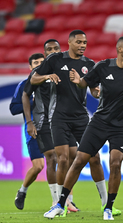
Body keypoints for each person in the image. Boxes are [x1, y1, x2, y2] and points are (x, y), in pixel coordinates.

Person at [43, 36, 123, 220]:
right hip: (99, 122)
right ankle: (60, 204)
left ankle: (108, 207)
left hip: (121, 125)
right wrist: (79, 81)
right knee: (79, 160)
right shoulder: (103, 66)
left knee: (115, 162)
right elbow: (87, 84)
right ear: (120, 49)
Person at [30, 30, 107, 212]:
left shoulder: (89, 64)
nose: (82, 45)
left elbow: (96, 90)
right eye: (79, 42)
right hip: (59, 117)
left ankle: (106, 203)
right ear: (70, 42)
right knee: (63, 159)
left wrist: (96, 92)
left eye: (85, 43)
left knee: (95, 157)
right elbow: (34, 78)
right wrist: (47, 76)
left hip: (81, 118)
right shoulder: (55, 60)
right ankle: (59, 204)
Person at [22, 39, 80, 212]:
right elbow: (25, 95)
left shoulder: (66, 68)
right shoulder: (38, 73)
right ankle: (56, 201)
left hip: (64, 121)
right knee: (53, 158)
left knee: (71, 157)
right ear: (45, 53)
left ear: (61, 49)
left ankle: (67, 198)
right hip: (43, 122)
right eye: (49, 49)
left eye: (56, 48)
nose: (53, 51)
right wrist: (29, 122)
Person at [10, 53, 45, 210]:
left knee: (63, 161)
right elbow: (13, 108)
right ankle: (22, 191)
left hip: (54, 128)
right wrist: (31, 101)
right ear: (30, 67)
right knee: (38, 166)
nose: (38, 64)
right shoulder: (25, 84)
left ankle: (66, 200)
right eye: (35, 63)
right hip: (34, 130)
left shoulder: (53, 82)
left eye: (41, 62)